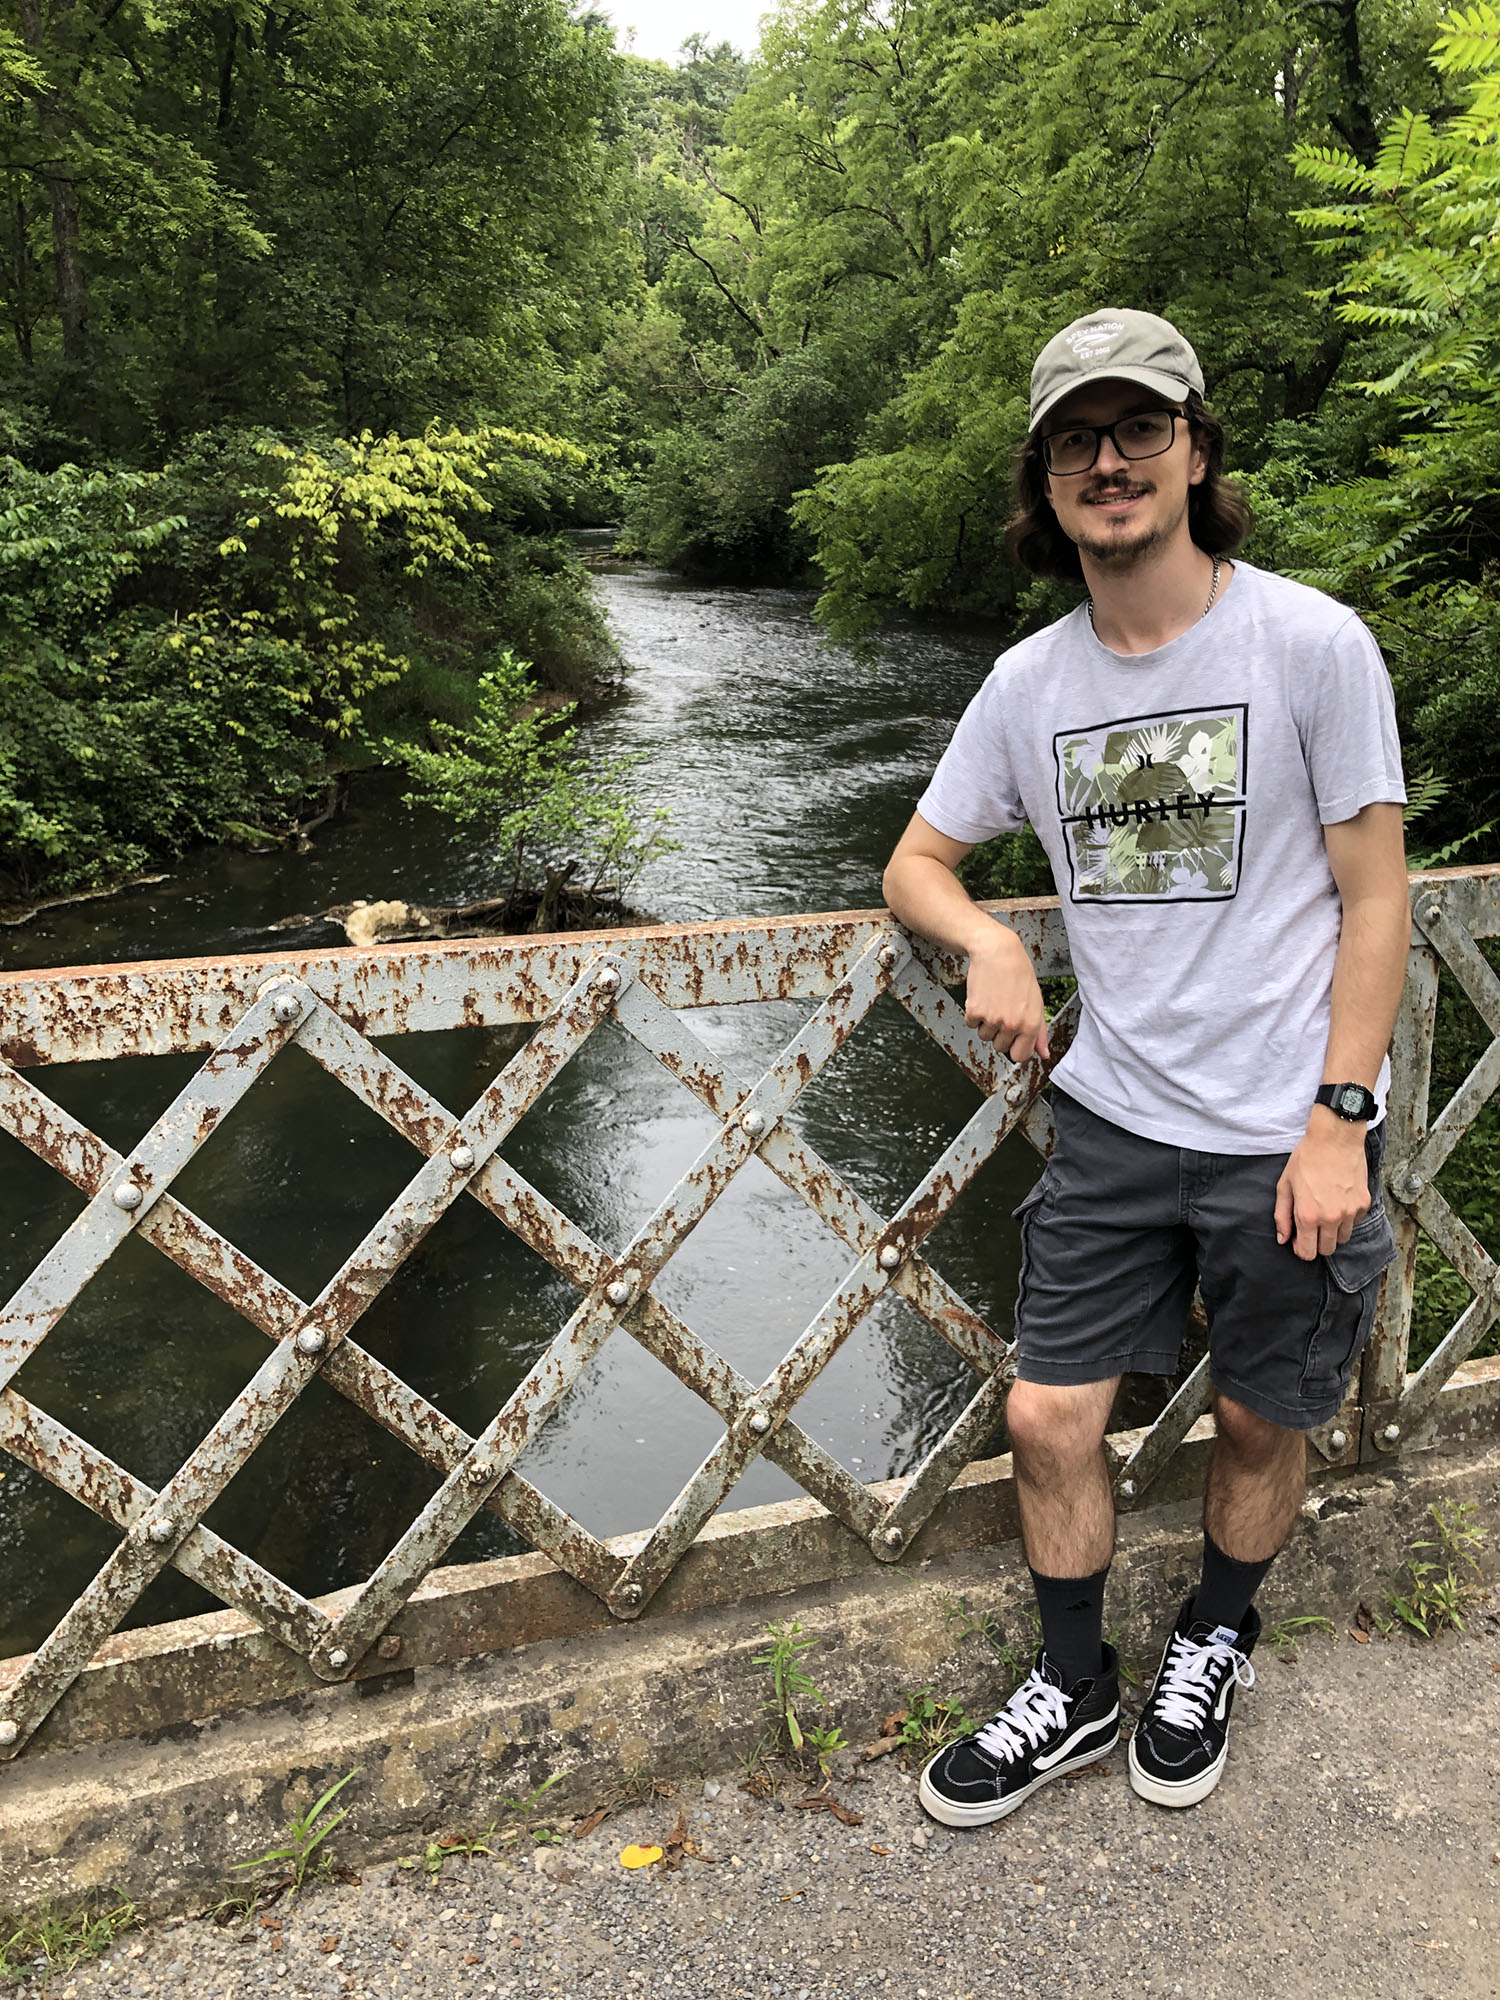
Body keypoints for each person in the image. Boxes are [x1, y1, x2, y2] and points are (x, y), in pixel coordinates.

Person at [881, 308, 1410, 1824]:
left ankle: (1215, 1636)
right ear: (1044, 484)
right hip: (1112, 1116)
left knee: (1261, 1416)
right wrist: (987, 939)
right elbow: (916, 860)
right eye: (1075, 442)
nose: (1109, 464)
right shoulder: (1031, 683)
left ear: (1194, 452)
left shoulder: (1309, 643)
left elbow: (1378, 902)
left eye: (1139, 432)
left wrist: (1339, 1119)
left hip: (1283, 1127)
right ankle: (1074, 1684)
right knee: (1049, 1416)